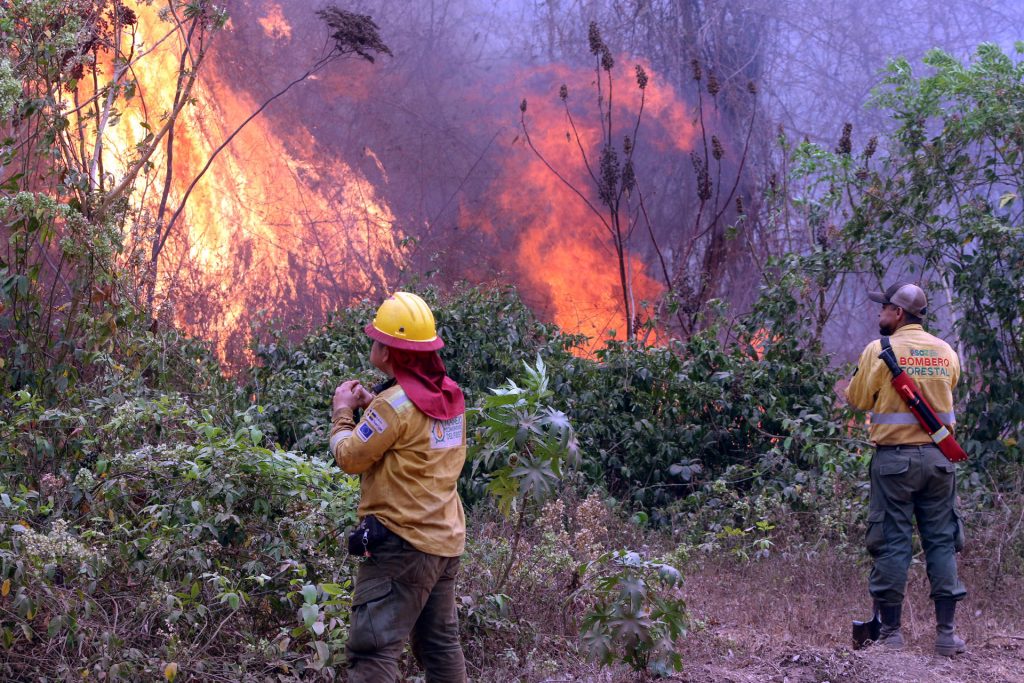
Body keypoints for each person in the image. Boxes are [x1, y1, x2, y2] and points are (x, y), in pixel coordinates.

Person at [330, 292, 468, 681]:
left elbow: (350, 457)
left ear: (389, 352)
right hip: (444, 542)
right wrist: (375, 402)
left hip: (401, 546)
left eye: (378, 339)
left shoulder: (393, 406)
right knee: (440, 647)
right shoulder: (450, 396)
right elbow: (416, 434)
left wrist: (343, 411)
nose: (374, 343)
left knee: (372, 648)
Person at [845, 282, 967, 656]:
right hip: (939, 460)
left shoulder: (878, 350)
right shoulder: (947, 352)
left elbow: (857, 400)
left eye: (883, 308)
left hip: (895, 462)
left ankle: (892, 635)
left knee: (892, 542)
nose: (879, 313)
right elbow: (951, 390)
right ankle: (946, 635)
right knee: (941, 542)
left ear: (897, 313)